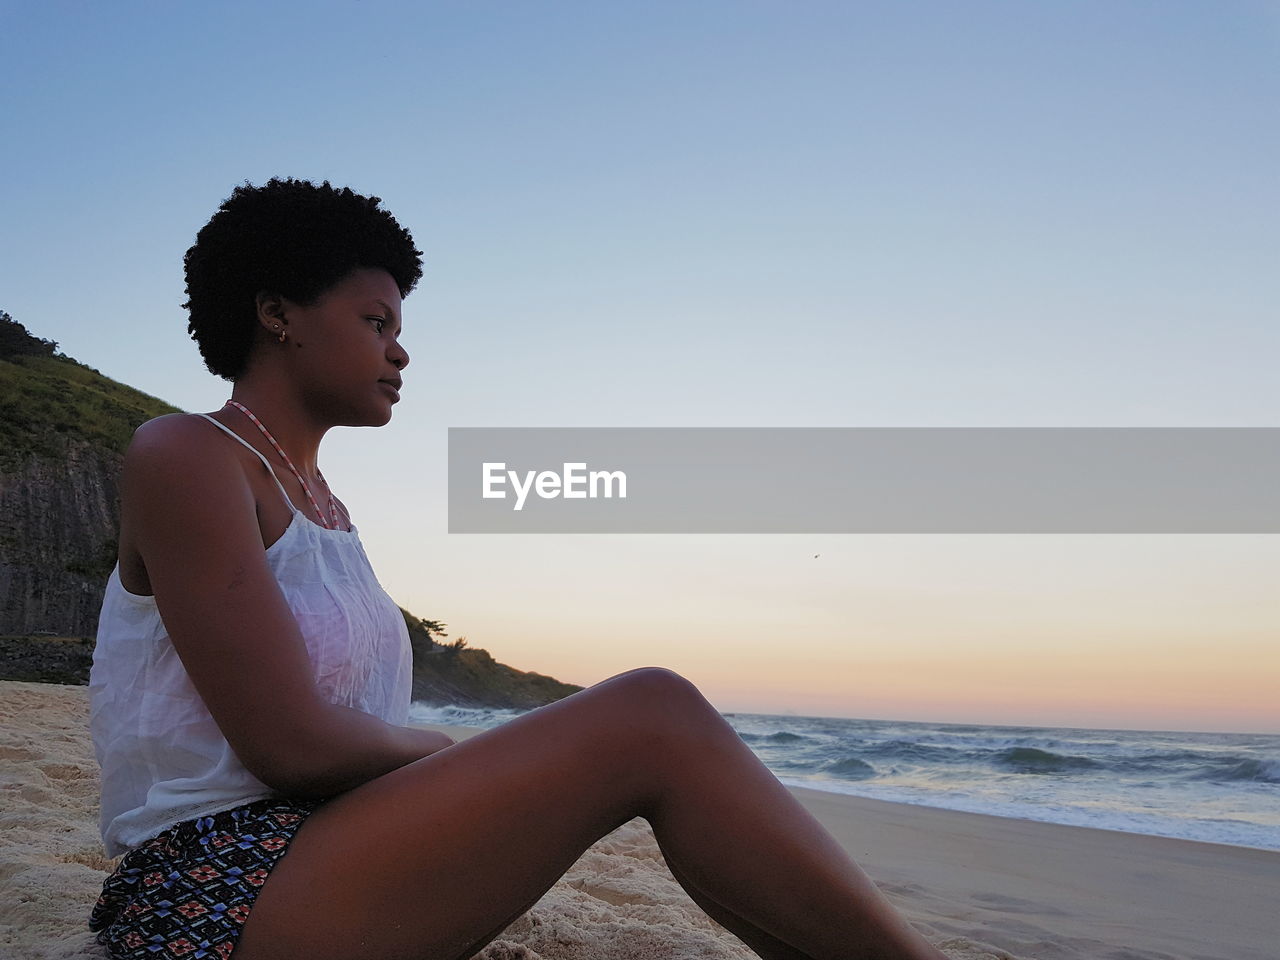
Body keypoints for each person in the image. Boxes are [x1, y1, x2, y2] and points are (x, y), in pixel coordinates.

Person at [87, 177, 948, 960]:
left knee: (657, 725)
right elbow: (291, 745)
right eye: (375, 322)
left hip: (330, 855)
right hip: (213, 891)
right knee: (653, 712)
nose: (400, 352)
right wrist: (446, 749)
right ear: (279, 315)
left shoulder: (328, 511)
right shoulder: (188, 453)